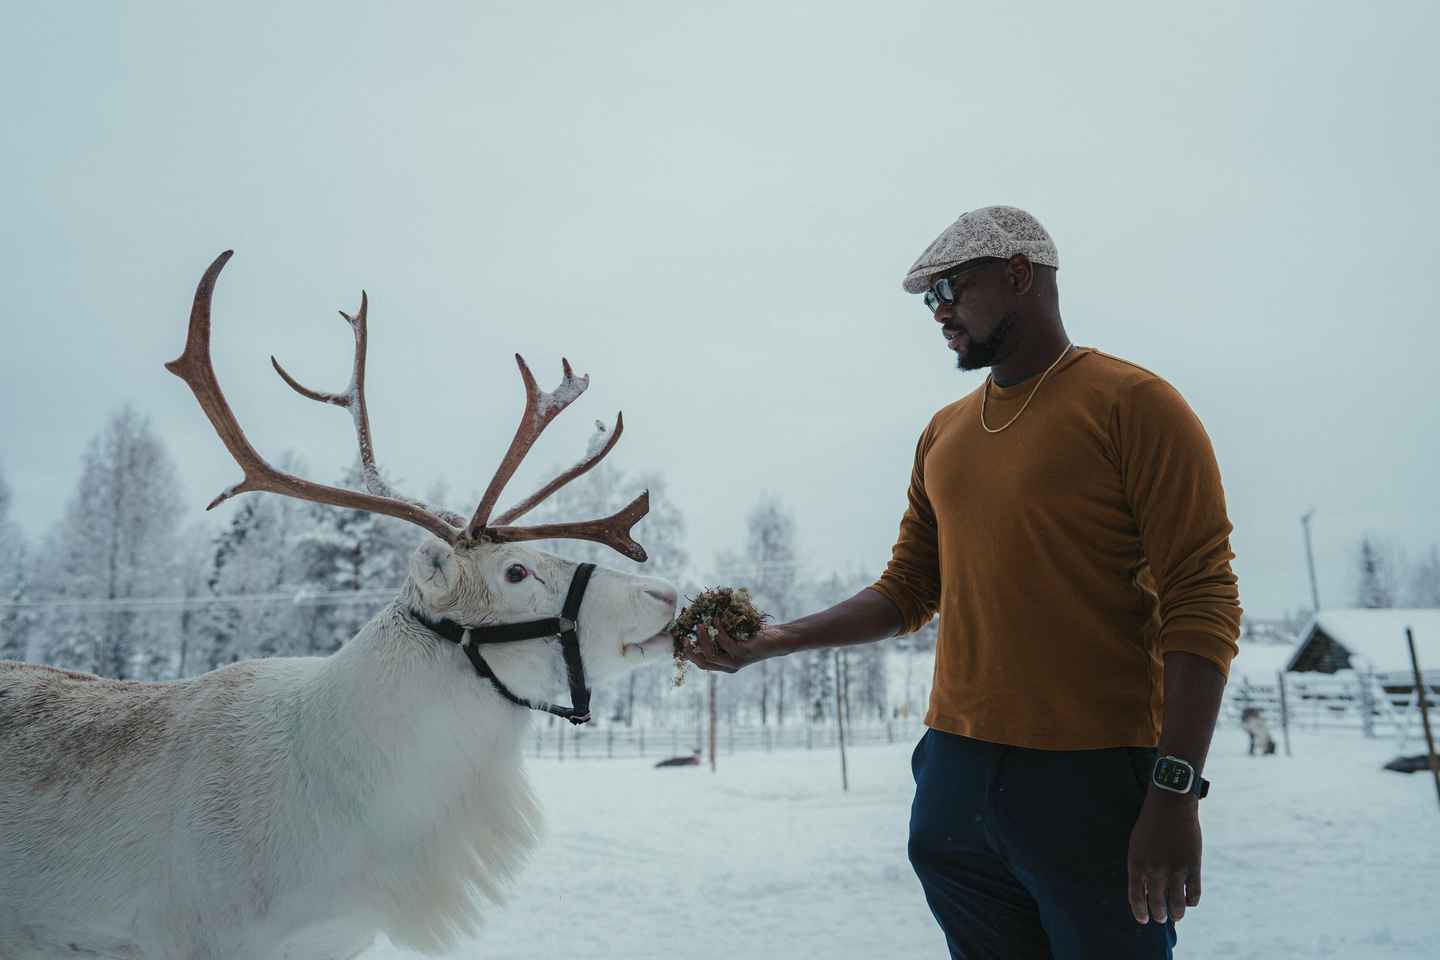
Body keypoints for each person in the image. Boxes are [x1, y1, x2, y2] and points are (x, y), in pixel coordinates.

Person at [688, 206, 1241, 959]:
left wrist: (1176, 790)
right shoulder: (944, 432)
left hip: (1091, 776)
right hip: (954, 772)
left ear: (1019, 274)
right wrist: (776, 640)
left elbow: (1201, 596)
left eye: (950, 288)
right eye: (928, 299)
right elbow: (909, 588)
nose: (938, 312)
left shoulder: (1133, 404)